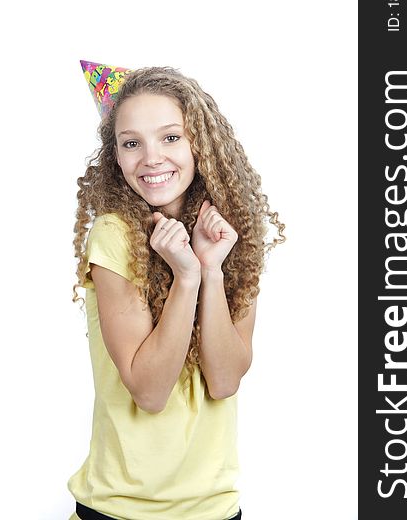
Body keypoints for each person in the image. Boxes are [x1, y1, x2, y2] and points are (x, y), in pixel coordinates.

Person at [67, 66, 285, 520]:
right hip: (122, 509)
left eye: (170, 137)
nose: (151, 158)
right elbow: (148, 391)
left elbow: (224, 381)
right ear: (116, 156)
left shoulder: (233, 231)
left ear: (200, 143)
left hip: (215, 508)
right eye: (132, 143)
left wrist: (210, 269)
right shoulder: (115, 234)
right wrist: (184, 278)